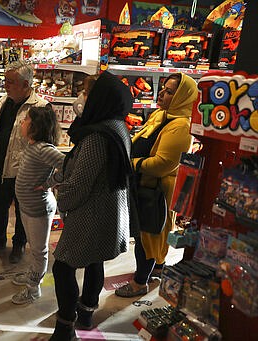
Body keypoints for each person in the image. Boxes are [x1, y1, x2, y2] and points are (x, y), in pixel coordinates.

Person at [50, 71, 133, 340]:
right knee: (95, 259)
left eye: (88, 93)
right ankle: (86, 312)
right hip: (110, 210)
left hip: (91, 212)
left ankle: (65, 327)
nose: (82, 98)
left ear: (100, 99)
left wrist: (61, 196)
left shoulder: (97, 136)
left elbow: (82, 182)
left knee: (63, 265)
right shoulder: (117, 126)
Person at [115, 73, 197, 297]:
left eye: (170, 92)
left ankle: (140, 282)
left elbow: (163, 164)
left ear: (183, 97)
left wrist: (131, 163)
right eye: (163, 88)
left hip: (158, 190)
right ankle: (156, 268)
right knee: (149, 234)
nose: (161, 93)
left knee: (149, 236)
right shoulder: (162, 115)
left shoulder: (181, 126)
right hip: (145, 185)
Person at [0, 60, 50, 264]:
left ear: (26, 84)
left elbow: (46, 145)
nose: (5, 85)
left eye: (11, 82)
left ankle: (19, 245)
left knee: (21, 210)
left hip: (24, 171)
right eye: (5, 81)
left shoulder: (41, 108)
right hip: (2, 165)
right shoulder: (4, 101)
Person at [11, 106, 65, 304]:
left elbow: (69, 165)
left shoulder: (43, 149)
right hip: (27, 207)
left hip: (38, 209)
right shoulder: (32, 146)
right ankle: (32, 274)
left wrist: (49, 183)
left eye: (26, 120)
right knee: (34, 247)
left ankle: (34, 288)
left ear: (35, 126)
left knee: (39, 251)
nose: (22, 123)